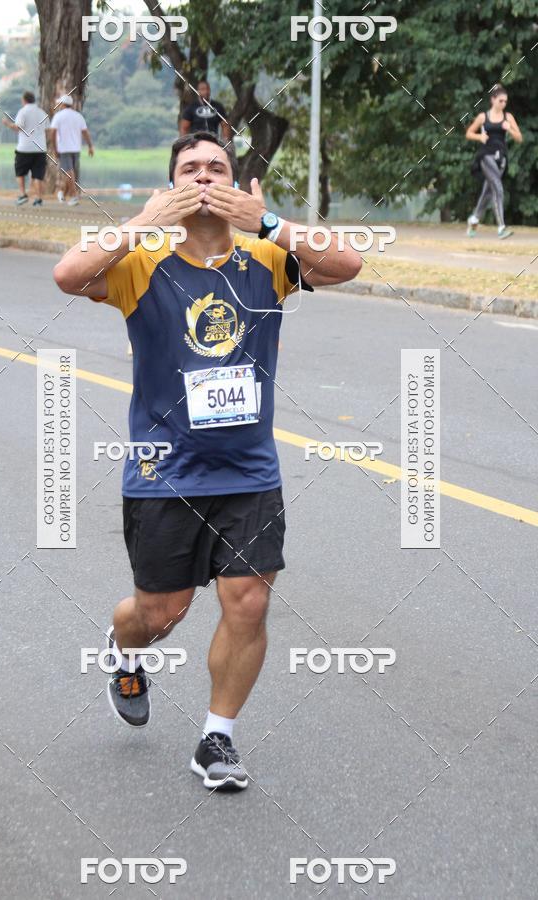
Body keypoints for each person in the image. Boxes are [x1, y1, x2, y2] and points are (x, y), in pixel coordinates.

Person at [53, 131, 361, 790]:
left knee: (247, 602)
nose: (202, 177)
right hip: (164, 473)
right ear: (170, 186)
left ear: (235, 184)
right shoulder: (142, 261)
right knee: (160, 614)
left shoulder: (265, 256)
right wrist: (144, 221)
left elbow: (348, 264)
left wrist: (268, 221)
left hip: (249, 472)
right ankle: (125, 651)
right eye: (189, 168)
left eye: (216, 168)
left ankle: (216, 737)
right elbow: (68, 275)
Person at [466, 84, 523, 239]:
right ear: (493, 100)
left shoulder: (508, 117)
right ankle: (501, 227)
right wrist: (479, 136)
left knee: (488, 191)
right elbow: (469, 133)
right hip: (486, 155)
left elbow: (519, 138)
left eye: (505, 101)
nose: (503, 104)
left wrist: (509, 129)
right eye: (500, 101)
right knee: (498, 188)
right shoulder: (483, 117)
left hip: (501, 157)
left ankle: (474, 219)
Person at [2, 90, 49, 207]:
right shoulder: (42, 113)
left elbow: (18, 127)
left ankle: (23, 194)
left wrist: (7, 123)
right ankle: (38, 198)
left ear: (24, 100)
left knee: (20, 172)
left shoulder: (23, 112)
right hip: (40, 149)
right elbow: (47, 129)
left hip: (24, 148)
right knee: (38, 175)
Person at [47, 94, 94, 206]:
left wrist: (55, 149)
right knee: (70, 172)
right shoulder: (78, 116)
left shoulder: (58, 116)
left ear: (63, 104)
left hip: (64, 148)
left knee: (68, 172)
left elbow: (52, 133)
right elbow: (85, 132)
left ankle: (72, 196)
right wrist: (90, 146)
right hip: (76, 149)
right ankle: (63, 193)